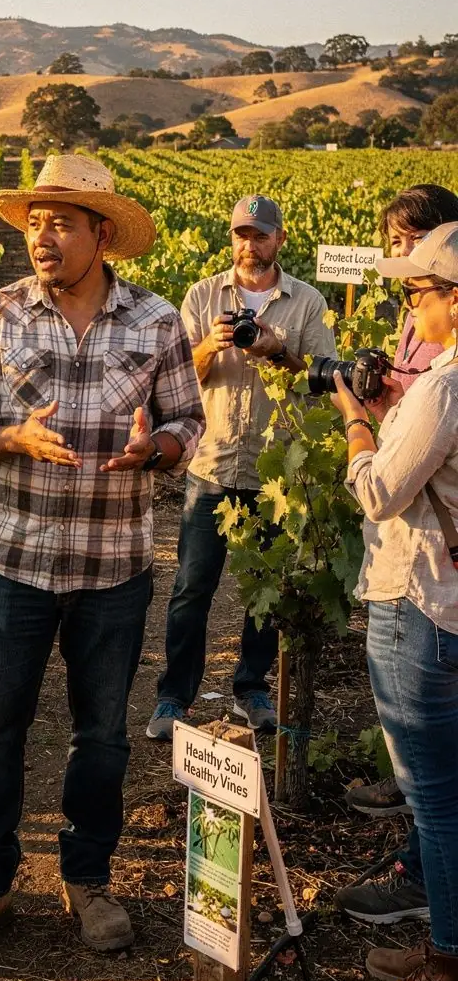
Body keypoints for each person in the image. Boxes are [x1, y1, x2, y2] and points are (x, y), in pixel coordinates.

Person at [0, 155, 204, 960]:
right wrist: (8, 437)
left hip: (114, 565)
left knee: (103, 736)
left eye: (62, 222)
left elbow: (188, 425)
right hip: (12, 559)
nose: (42, 237)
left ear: (102, 234)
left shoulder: (155, 321)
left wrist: (154, 448)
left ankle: (88, 880)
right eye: (35, 222)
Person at [328, 222, 458, 981]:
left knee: (436, 801)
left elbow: (378, 493)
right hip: (451, 604)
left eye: (418, 289)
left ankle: (447, 974)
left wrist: (357, 422)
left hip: (420, 603)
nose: (408, 301)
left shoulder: (446, 387)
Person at [147, 195, 336, 740]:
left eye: (259, 235)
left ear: (279, 239)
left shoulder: (306, 302)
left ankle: (251, 686)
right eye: (240, 235)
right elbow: (177, 378)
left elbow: (317, 381)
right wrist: (211, 343)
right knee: (190, 587)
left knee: (265, 589)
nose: (248, 245)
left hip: (275, 471)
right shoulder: (203, 296)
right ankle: (173, 696)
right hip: (211, 462)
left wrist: (277, 349)